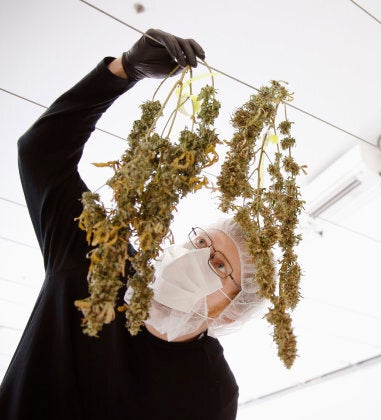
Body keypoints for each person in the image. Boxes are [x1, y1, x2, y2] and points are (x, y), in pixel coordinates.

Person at [0, 29, 265, 419]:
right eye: (201, 244)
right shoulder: (101, 258)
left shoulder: (211, 390)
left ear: (229, 311)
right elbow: (41, 153)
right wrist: (124, 70)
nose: (198, 258)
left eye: (220, 266)